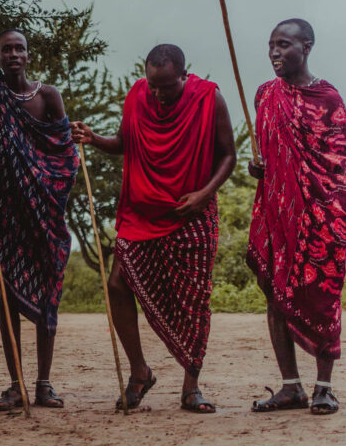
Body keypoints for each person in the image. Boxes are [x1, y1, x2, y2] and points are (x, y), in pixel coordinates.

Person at [71, 44, 235, 413]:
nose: (158, 94)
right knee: (116, 284)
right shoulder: (137, 96)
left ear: (184, 75)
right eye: (152, 85)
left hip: (190, 211)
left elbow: (229, 155)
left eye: (166, 87)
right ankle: (139, 371)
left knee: (192, 300)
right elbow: (124, 145)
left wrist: (205, 194)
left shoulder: (210, 99)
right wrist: (94, 139)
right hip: (141, 211)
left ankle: (191, 385)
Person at [247, 18, 346, 416]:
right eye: (271, 45)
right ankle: (290, 387)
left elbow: (342, 163)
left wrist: (333, 212)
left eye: (284, 45)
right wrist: (259, 168)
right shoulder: (264, 94)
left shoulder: (327, 98)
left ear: (306, 47)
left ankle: (324, 387)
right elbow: (272, 151)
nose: (275, 52)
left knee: (323, 294)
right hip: (277, 212)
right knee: (276, 293)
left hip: (320, 215)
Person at [0, 29, 78, 410]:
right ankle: (15, 383)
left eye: (19, 48)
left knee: (48, 290)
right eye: (6, 49)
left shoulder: (47, 95)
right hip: (3, 208)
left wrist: (49, 183)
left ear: (29, 56)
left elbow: (64, 149)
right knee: (9, 294)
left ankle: (44, 383)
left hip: (45, 209)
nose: (13, 54)